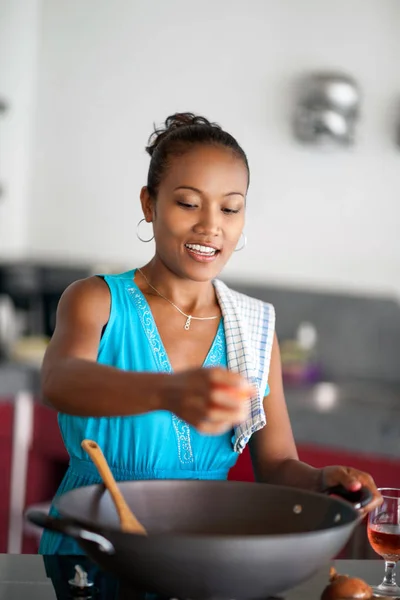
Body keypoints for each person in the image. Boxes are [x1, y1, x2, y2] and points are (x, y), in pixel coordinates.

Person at [38, 112, 381, 555]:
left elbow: (275, 465)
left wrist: (319, 479)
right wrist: (168, 392)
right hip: (92, 542)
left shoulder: (255, 327)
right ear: (149, 204)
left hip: (198, 554)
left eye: (230, 207)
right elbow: (59, 381)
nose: (210, 224)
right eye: (187, 203)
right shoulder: (96, 299)